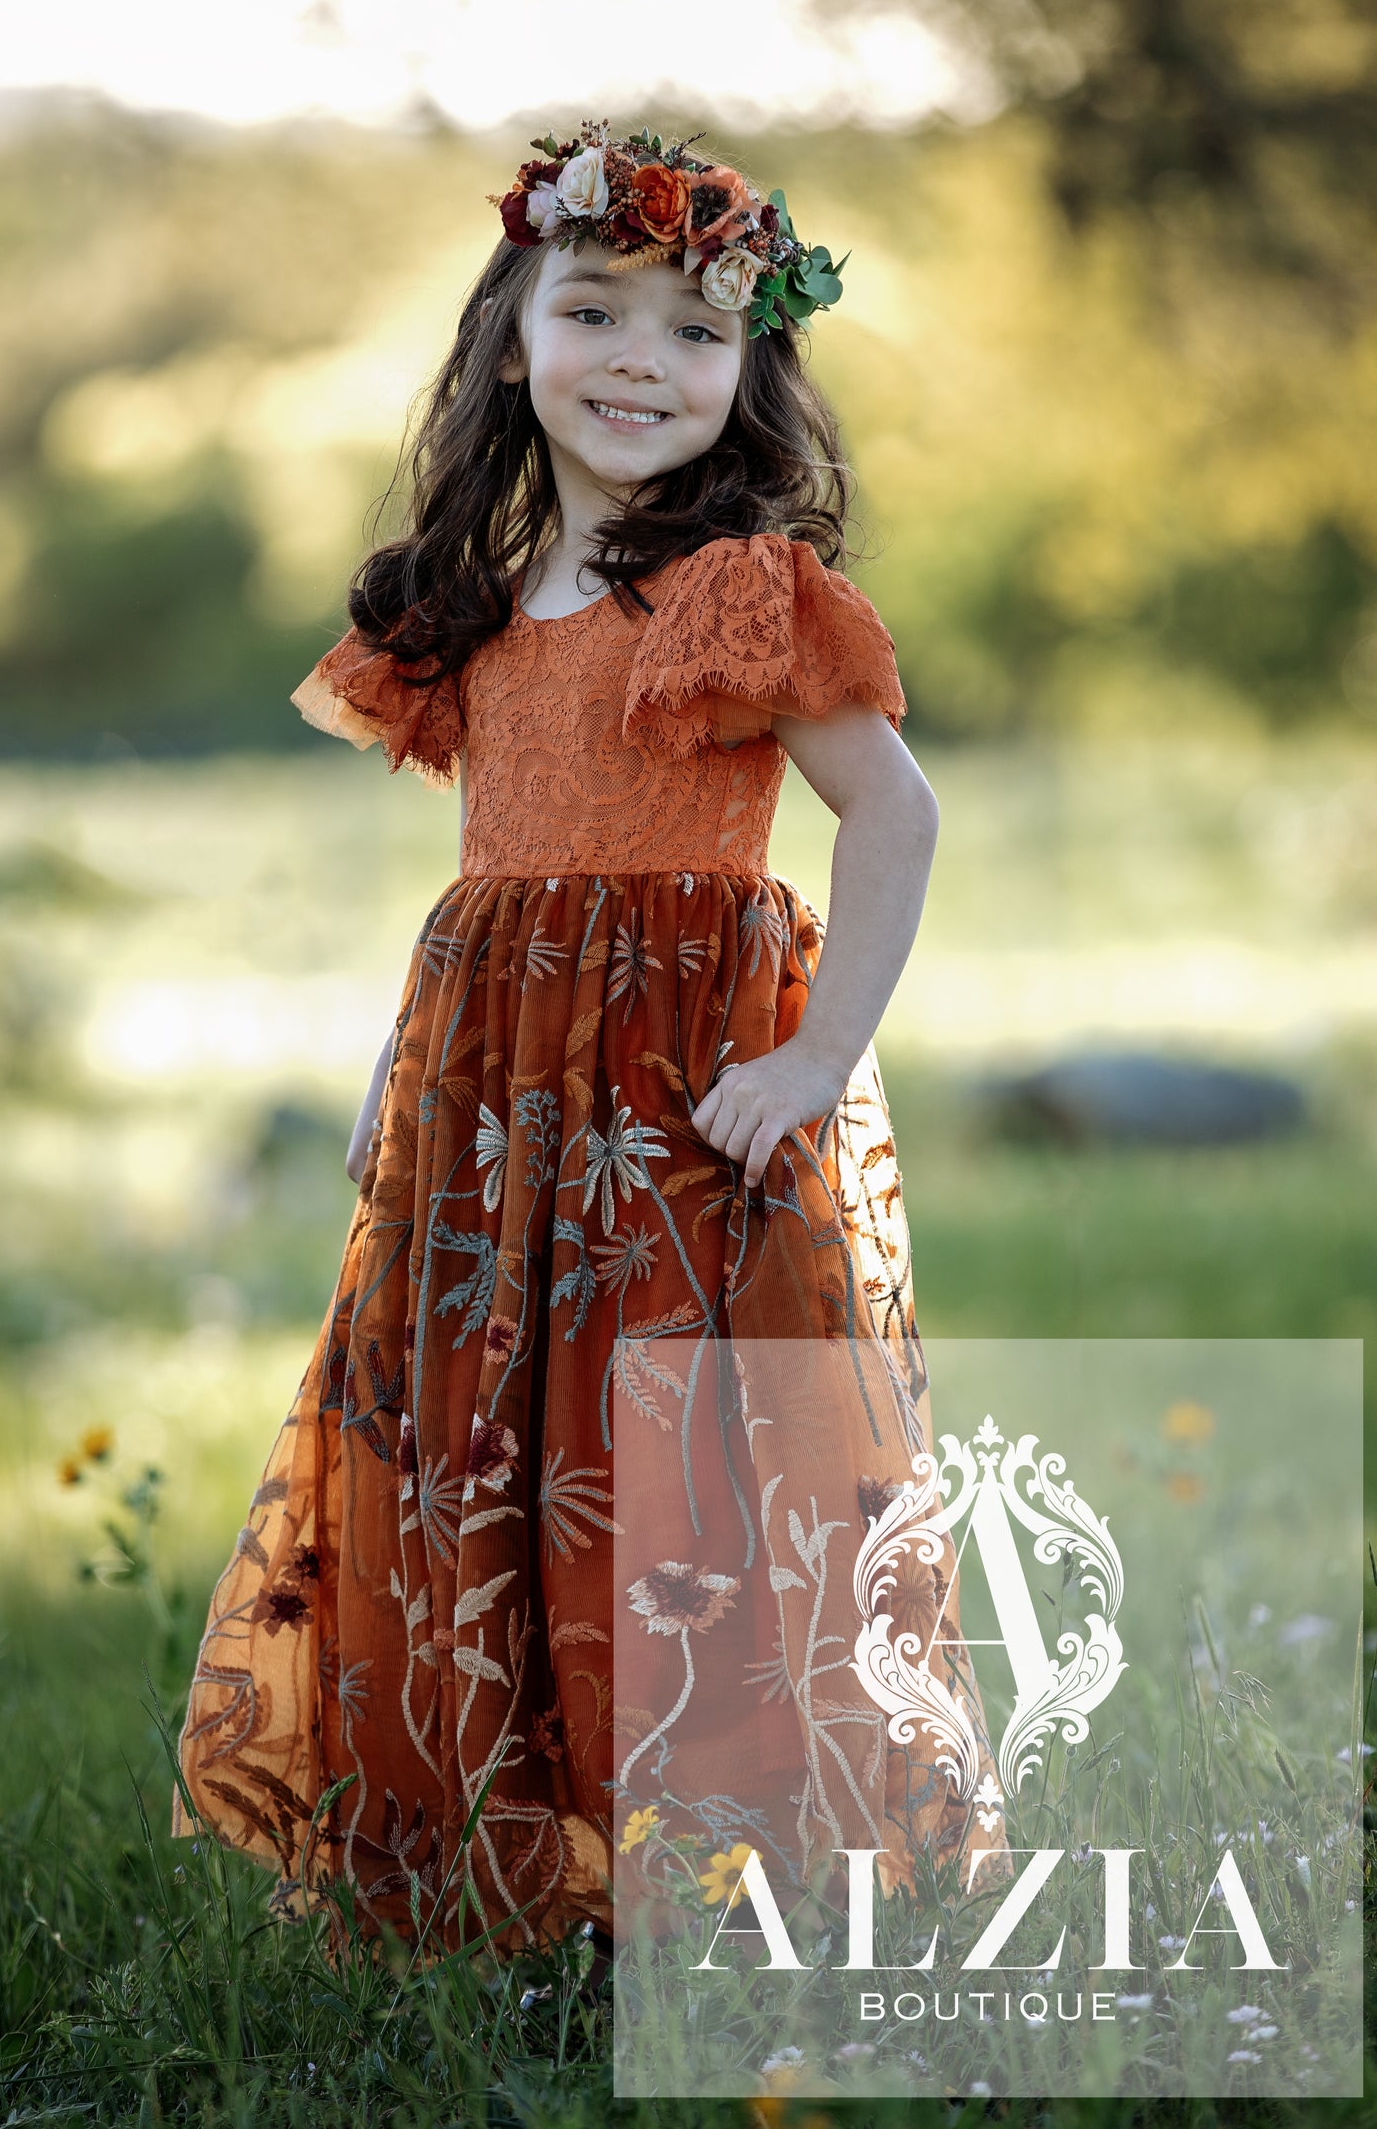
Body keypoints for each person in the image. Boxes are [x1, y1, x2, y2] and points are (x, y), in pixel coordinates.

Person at [175, 122, 1007, 1957]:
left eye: (698, 333)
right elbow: (489, 893)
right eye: (595, 309)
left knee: (684, 1461)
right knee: (476, 1447)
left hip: (677, 1109)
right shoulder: (464, 614)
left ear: (750, 374)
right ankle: (515, 1872)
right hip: (492, 1108)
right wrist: (404, 1084)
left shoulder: (743, 592)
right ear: (511, 336)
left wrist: (807, 1065)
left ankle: (740, 1886)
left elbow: (898, 817)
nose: (643, 359)